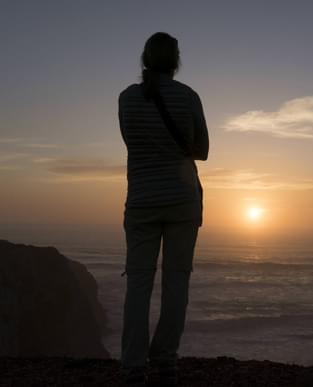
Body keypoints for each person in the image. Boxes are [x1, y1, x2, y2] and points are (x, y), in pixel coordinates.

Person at [118, 31, 209, 386]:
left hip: (141, 200)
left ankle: (132, 366)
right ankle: (166, 360)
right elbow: (201, 150)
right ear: (176, 62)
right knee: (176, 283)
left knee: (138, 285)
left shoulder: (126, 98)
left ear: (144, 59)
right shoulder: (188, 97)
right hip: (182, 201)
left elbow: (131, 142)